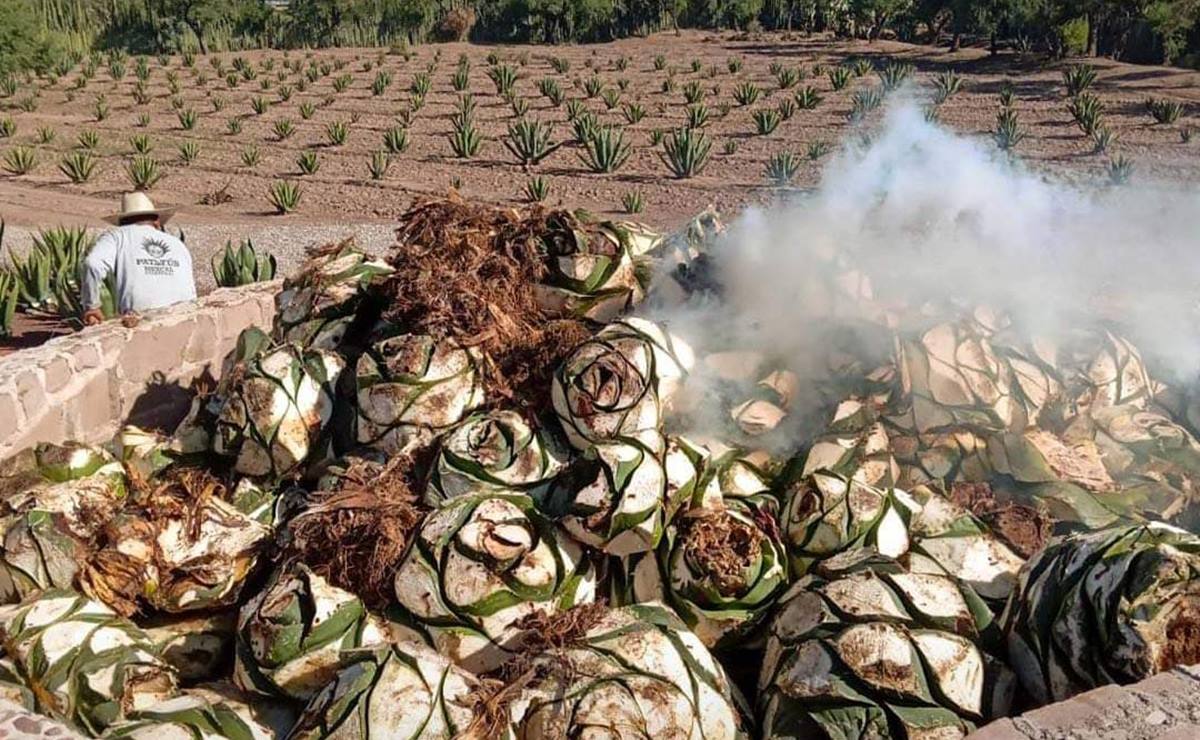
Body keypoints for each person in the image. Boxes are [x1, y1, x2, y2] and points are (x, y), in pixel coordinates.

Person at [81, 192, 196, 326]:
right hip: (185, 314)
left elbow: (92, 264)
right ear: (157, 221)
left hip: (140, 317)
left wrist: (92, 306)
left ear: (121, 222)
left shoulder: (117, 236)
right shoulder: (177, 243)